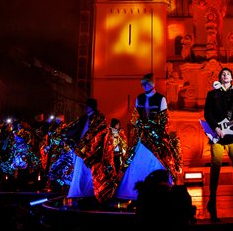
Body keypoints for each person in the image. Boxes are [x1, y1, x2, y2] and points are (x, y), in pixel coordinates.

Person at [115, 73, 183, 201]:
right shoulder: (139, 98)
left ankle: (160, 191)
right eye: (142, 84)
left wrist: (150, 126)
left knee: (159, 160)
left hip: (155, 137)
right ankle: (134, 192)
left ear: (152, 84)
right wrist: (138, 124)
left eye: (146, 84)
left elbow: (164, 120)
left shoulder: (161, 99)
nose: (144, 86)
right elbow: (135, 117)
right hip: (141, 136)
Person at [203, 67, 233, 221]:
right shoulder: (212, 94)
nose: (225, 75)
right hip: (217, 135)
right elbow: (207, 113)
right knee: (215, 167)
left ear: (232, 77)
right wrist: (216, 128)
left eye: (228, 73)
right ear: (220, 78)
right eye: (223, 74)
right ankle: (212, 199)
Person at [64, 98, 117, 206]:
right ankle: (81, 192)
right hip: (82, 151)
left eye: (86, 106)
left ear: (91, 106)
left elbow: (98, 133)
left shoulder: (99, 118)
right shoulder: (84, 118)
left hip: (91, 152)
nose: (84, 108)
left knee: (89, 173)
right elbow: (75, 129)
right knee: (80, 172)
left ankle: (90, 192)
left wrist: (88, 146)